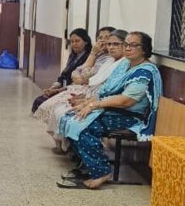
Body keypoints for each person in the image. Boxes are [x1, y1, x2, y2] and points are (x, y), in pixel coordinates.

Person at [58, 31, 162, 190]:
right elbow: (105, 90)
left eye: (133, 45)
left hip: (130, 115)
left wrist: (94, 105)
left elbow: (126, 101)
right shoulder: (125, 64)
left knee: (83, 127)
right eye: (126, 44)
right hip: (111, 109)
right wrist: (87, 102)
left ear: (144, 49)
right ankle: (87, 166)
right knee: (70, 118)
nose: (128, 48)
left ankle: (101, 171)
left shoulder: (145, 71)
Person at [33, 27, 115, 147]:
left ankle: (66, 144)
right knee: (42, 102)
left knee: (59, 109)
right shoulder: (89, 55)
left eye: (107, 38)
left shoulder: (101, 57)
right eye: (100, 38)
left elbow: (86, 76)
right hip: (76, 87)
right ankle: (62, 143)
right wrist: (56, 87)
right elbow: (74, 73)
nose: (103, 41)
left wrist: (83, 79)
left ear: (86, 41)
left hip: (89, 92)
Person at [48, 30, 127, 148]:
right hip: (91, 95)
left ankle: (75, 150)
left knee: (69, 116)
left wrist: (87, 102)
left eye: (115, 44)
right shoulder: (109, 60)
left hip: (104, 104)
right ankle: (69, 148)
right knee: (59, 110)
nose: (109, 46)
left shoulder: (123, 64)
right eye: (108, 43)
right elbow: (76, 73)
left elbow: (88, 79)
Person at [30, 28, 92, 114]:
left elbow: (80, 81)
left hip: (76, 90)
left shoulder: (89, 58)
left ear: (86, 42)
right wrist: (53, 87)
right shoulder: (73, 56)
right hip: (63, 87)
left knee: (43, 103)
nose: (74, 44)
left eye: (77, 41)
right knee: (39, 100)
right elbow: (64, 75)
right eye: (72, 41)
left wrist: (58, 91)